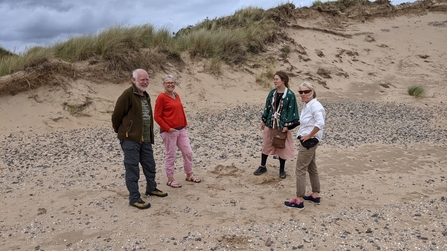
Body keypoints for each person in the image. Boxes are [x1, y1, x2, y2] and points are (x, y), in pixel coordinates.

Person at [112, 69, 168, 210]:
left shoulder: (145, 95)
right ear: (133, 79)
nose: (145, 82)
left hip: (146, 139)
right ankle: (134, 198)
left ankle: (151, 188)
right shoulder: (128, 94)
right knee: (132, 168)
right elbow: (116, 115)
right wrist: (123, 132)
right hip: (130, 139)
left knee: (150, 165)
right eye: (142, 79)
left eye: (146, 79)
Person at [154, 74, 201, 188]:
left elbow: (180, 110)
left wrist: (185, 122)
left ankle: (189, 174)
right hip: (169, 131)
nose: (170, 85)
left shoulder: (176, 95)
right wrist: (168, 128)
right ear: (164, 84)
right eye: (168, 83)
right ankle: (170, 179)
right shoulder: (161, 97)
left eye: (172, 83)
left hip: (181, 129)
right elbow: (157, 116)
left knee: (188, 152)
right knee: (171, 154)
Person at [284, 81, 326, 210]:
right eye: (301, 92)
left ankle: (299, 200)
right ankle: (315, 194)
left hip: (309, 142)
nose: (303, 94)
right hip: (308, 141)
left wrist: (308, 135)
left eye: (306, 91)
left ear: (312, 92)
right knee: (311, 167)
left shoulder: (315, 106)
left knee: (300, 169)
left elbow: (320, 123)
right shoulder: (308, 105)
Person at [254, 71, 300, 179]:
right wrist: (264, 121)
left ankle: (282, 169)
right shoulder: (272, 93)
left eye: (276, 79)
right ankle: (262, 166)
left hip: (282, 125)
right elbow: (267, 107)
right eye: (274, 79)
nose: (274, 81)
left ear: (283, 80)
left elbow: (292, 111)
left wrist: (287, 126)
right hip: (270, 123)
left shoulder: (290, 95)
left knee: (281, 146)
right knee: (266, 143)